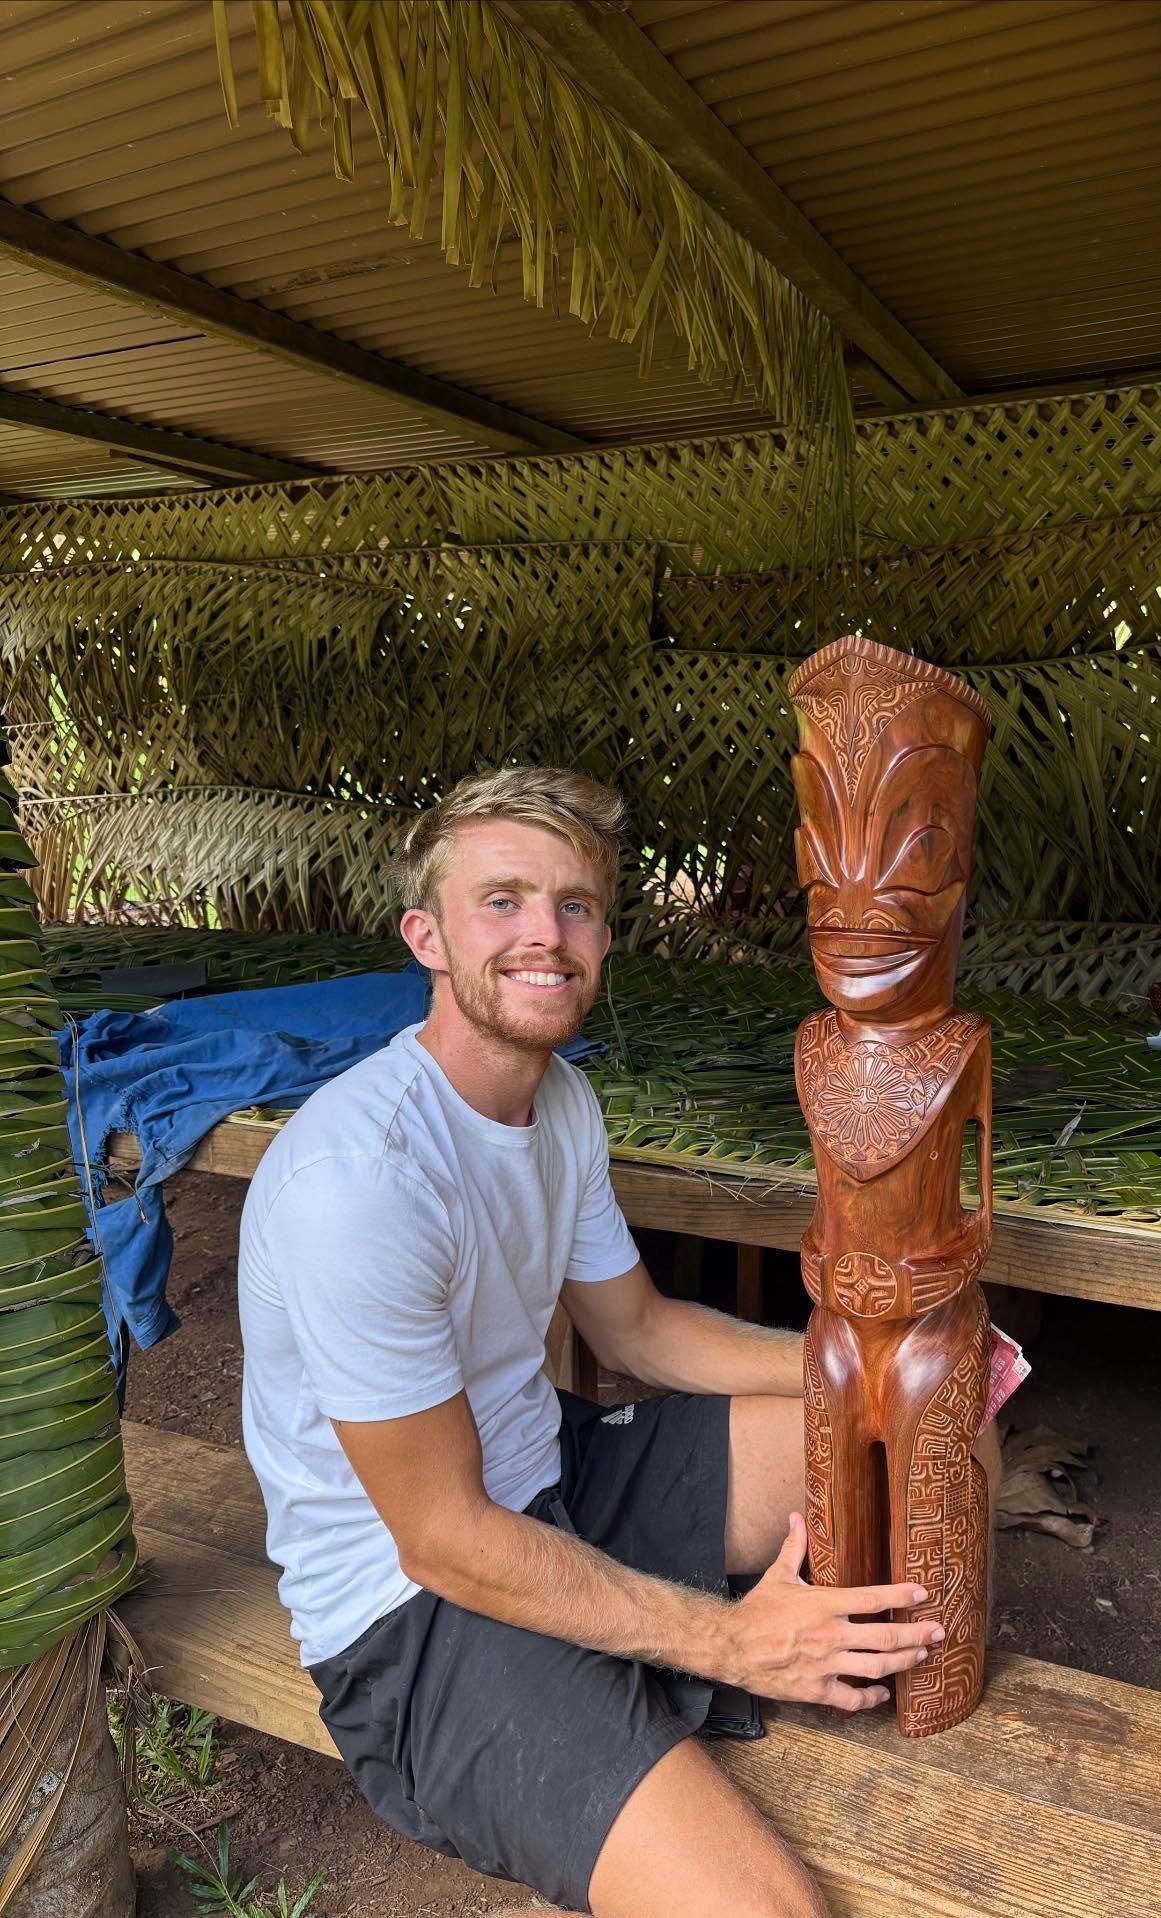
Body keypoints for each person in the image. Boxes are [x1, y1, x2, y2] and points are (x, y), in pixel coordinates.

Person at [238, 767, 1005, 1918]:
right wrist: (737, 1644)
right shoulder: (359, 1181)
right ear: (427, 937)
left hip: (560, 1475)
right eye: (502, 900)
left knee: (939, 1447)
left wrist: (873, 1377)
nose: (544, 935)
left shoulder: (559, 1108)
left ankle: (792, 1673)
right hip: (414, 1612)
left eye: (575, 905)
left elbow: (641, 1330)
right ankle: (699, 1688)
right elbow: (444, 1541)